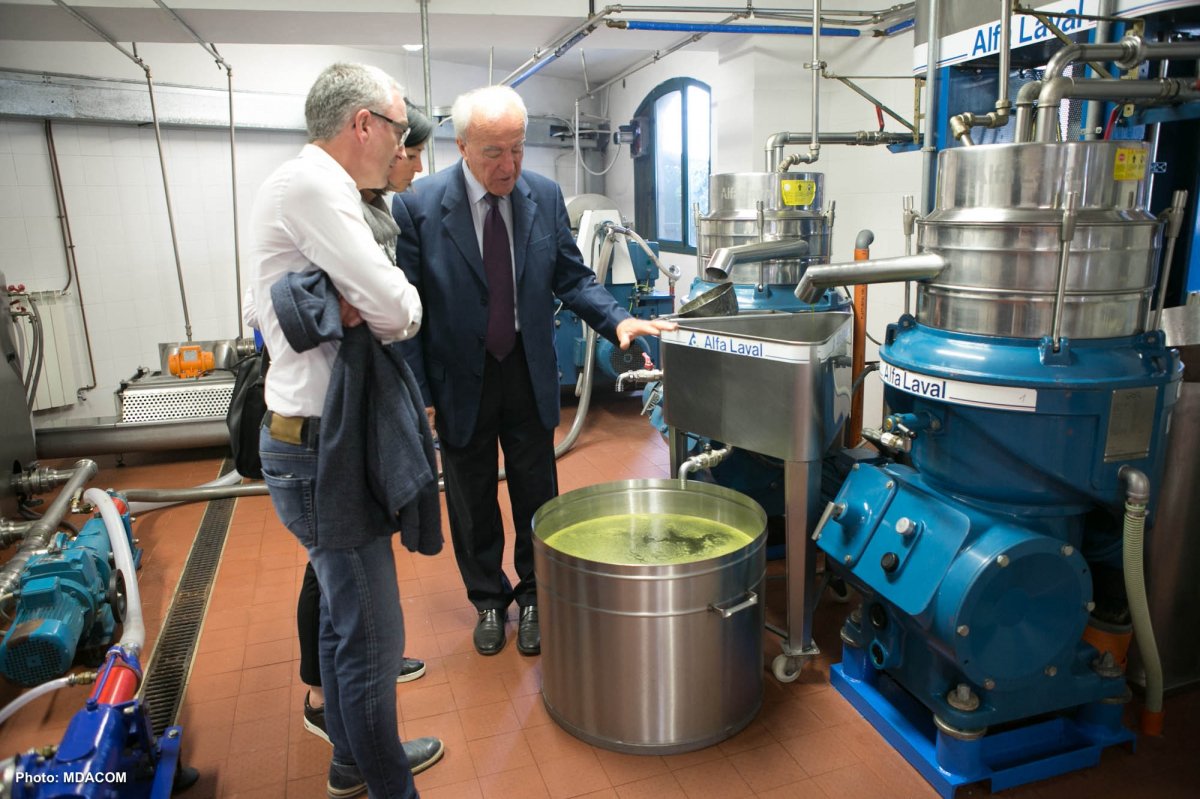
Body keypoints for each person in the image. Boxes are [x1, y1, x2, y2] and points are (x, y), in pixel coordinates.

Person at [394, 85, 675, 658]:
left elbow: (572, 277)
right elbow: (408, 312)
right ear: (463, 146)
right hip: (458, 379)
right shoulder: (418, 205)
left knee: (537, 492)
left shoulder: (543, 196)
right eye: (494, 152)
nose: (510, 165)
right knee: (471, 497)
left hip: (527, 370)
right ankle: (487, 599)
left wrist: (617, 320)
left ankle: (535, 597)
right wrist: (419, 393)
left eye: (518, 149)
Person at [247, 63, 443, 799]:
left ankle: (353, 763)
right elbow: (400, 311)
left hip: (319, 440)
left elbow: (376, 307)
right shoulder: (314, 187)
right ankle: (391, 785)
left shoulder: (324, 189)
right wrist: (369, 302)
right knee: (373, 640)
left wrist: (358, 302)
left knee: (341, 618)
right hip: (318, 451)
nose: (402, 148)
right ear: (364, 123)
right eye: (397, 130)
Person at [296, 97, 436, 746]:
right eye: (411, 152)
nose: (415, 166)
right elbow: (383, 308)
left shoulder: (380, 208)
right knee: (332, 568)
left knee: (346, 569)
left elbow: (387, 310)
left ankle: (355, 677)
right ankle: (322, 693)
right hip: (333, 414)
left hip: (368, 398)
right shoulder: (336, 206)